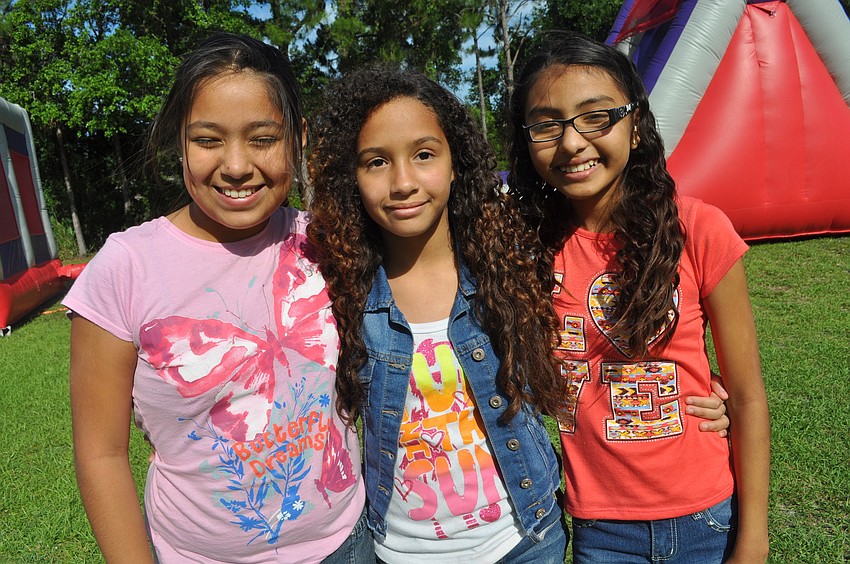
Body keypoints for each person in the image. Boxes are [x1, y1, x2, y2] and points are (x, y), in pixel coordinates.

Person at [305, 66, 729, 563]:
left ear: (455, 161)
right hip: (399, 549)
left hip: (525, 542)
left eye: (424, 155)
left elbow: (587, 348)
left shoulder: (509, 268)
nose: (403, 182)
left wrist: (704, 385)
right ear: (350, 177)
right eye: (376, 162)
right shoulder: (335, 287)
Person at [64, 33, 369, 563]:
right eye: (207, 139)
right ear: (177, 141)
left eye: (262, 138)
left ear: (296, 139)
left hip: (346, 544)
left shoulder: (327, 240)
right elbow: (102, 453)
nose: (235, 165)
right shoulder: (125, 267)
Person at [507, 31, 770, 563]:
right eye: (546, 124)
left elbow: (745, 398)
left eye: (596, 116)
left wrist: (754, 540)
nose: (573, 142)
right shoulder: (519, 248)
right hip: (599, 530)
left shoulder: (699, 229)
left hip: (706, 517)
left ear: (635, 128)